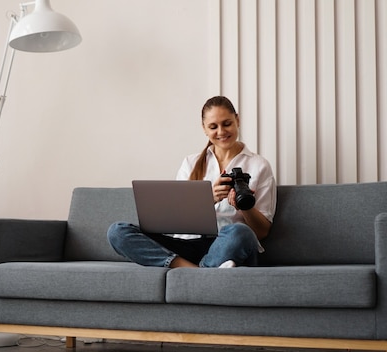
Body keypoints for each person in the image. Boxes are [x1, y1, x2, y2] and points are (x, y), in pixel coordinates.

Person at [107, 96, 276, 268]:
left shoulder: (259, 165)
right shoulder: (190, 163)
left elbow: (262, 232)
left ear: (237, 120)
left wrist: (244, 207)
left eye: (227, 124)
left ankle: (198, 271)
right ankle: (195, 270)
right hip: (186, 245)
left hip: (226, 244)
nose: (221, 131)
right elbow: (175, 220)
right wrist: (208, 200)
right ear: (204, 129)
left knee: (241, 232)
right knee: (117, 232)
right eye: (213, 127)